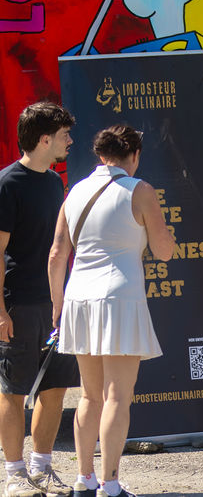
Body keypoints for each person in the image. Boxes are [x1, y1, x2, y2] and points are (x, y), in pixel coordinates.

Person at [47, 124, 174, 497]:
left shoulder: (74, 192)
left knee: (89, 396)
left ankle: (84, 478)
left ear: (101, 156)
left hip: (78, 297)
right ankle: (111, 483)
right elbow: (164, 250)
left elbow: (57, 254)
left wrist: (58, 306)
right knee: (118, 395)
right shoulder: (141, 190)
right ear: (134, 155)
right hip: (120, 296)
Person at [0, 101, 77, 497]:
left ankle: (41, 467)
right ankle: (13, 473)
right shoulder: (7, 183)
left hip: (55, 304)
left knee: (56, 388)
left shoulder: (54, 182)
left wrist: (62, 301)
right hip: (16, 303)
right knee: (13, 391)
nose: (70, 141)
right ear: (44, 139)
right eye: (64, 134)